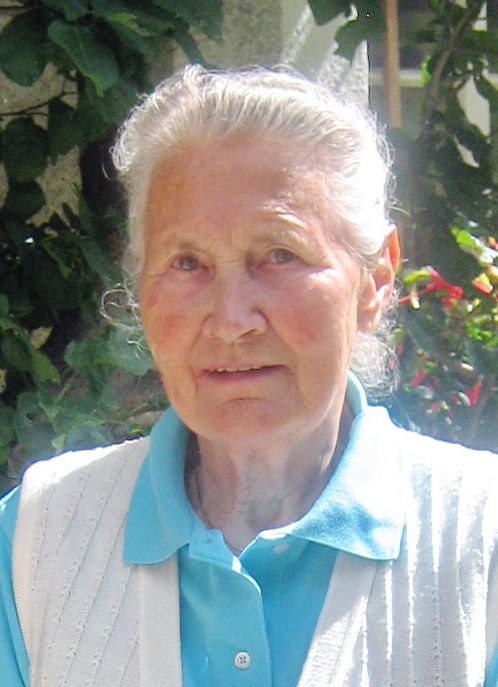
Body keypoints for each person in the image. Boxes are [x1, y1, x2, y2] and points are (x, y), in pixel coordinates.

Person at [0, 64, 497, 687]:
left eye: (280, 254)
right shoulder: (34, 542)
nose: (231, 321)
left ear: (374, 281)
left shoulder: (481, 538)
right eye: (187, 262)